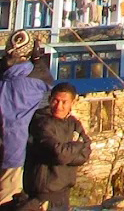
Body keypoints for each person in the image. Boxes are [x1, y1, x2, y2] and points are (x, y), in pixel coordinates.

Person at [0, 32, 52, 205]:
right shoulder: (35, 80)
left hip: (8, 146)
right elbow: (51, 94)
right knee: (8, 198)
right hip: (14, 149)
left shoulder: (4, 78)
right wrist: (39, 61)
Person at [24, 83, 91, 211]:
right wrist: (76, 145)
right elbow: (59, 154)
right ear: (50, 100)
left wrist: (67, 151)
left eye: (64, 102)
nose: (59, 106)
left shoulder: (73, 124)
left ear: (72, 103)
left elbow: (85, 154)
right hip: (43, 195)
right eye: (56, 101)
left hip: (64, 193)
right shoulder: (41, 122)